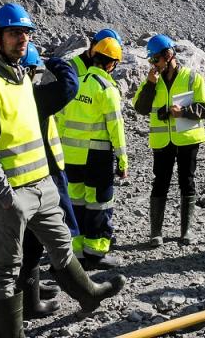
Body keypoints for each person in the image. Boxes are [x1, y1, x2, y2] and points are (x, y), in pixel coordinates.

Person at [0, 4, 125, 337]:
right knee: (5, 270)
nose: (21, 39)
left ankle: (89, 294)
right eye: (13, 33)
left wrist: (47, 185)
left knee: (62, 247)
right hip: (11, 194)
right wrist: (4, 195)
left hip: (42, 186)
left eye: (25, 33)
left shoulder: (23, 79)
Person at [16, 44, 80, 318]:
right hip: (41, 173)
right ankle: (33, 303)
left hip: (21, 175)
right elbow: (69, 85)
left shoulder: (9, 96)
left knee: (26, 239)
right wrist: (54, 61)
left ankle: (31, 290)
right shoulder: (33, 97)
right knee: (41, 238)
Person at [132, 35, 205, 247]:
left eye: (155, 60)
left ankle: (186, 231)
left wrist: (184, 112)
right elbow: (140, 108)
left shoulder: (192, 78)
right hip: (162, 141)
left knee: (187, 181)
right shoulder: (153, 81)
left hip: (187, 139)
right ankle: (156, 233)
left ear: (168, 55)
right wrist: (150, 84)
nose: (153, 64)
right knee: (160, 183)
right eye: (151, 61)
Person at [60, 36, 129, 270]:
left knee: (75, 202)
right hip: (96, 156)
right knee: (100, 202)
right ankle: (96, 252)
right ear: (112, 64)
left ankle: (76, 252)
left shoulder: (77, 83)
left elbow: (61, 119)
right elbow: (115, 127)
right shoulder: (107, 89)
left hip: (70, 156)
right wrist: (122, 158)